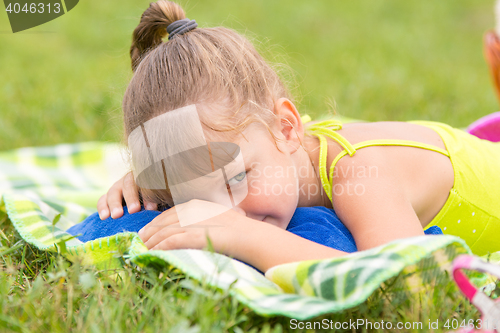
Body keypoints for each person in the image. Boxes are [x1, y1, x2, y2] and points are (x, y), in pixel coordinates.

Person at [97, 0, 500, 273]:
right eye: (198, 199)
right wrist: (149, 181)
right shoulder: (262, 145)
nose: (228, 213)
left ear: (287, 127)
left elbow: (407, 287)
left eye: (237, 177)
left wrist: (250, 238)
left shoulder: (360, 175)